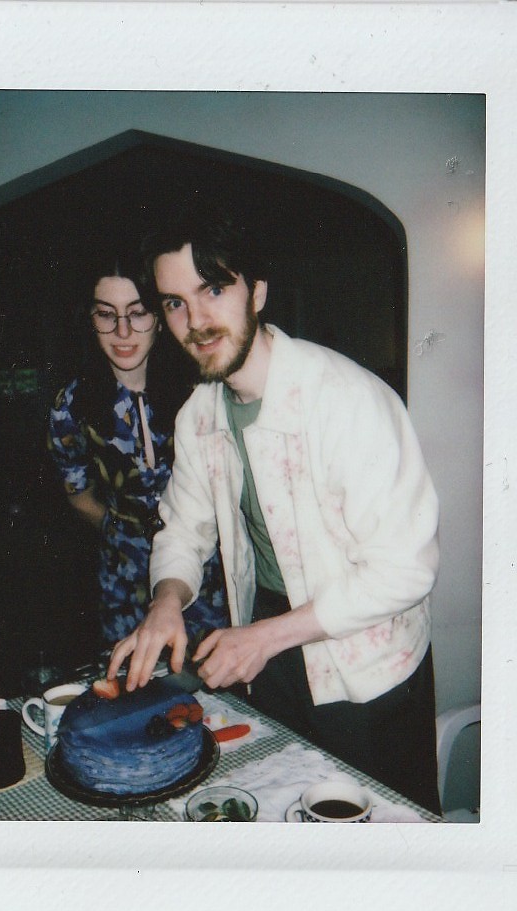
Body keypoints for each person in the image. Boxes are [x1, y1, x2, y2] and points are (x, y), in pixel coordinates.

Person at [108, 210, 442, 814]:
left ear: (257, 290)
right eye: (176, 303)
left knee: (385, 851)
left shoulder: (347, 401)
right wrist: (164, 603)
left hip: (367, 666)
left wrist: (265, 637)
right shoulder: (199, 414)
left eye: (213, 289)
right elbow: (184, 528)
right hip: (270, 651)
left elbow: (406, 570)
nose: (197, 321)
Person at [47, 249, 228, 653]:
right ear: (90, 320)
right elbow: (78, 496)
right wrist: (127, 532)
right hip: (123, 581)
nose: (123, 331)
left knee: (215, 695)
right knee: (134, 693)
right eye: (106, 314)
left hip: (207, 573)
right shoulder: (72, 406)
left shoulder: (203, 391)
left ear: (161, 318)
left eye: (138, 312)